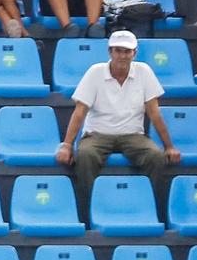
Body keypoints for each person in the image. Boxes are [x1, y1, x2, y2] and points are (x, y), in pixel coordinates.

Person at [56, 30, 181, 213]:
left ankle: (149, 209)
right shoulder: (95, 72)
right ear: (110, 52)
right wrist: (67, 145)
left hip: (133, 135)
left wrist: (169, 146)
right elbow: (79, 112)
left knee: (155, 156)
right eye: (118, 51)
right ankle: (93, 210)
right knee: (85, 155)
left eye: (127, 51)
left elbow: (154, 113)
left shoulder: (144, 71)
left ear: (134, 53)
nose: (122, 56)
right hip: (97, 134)